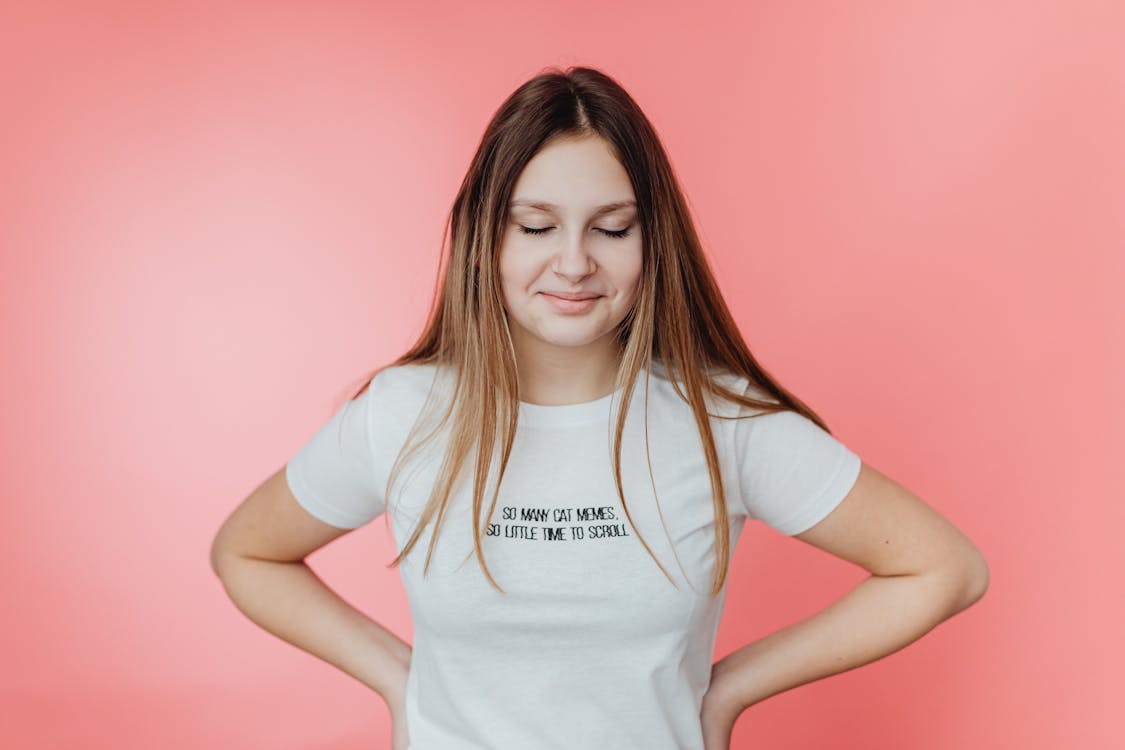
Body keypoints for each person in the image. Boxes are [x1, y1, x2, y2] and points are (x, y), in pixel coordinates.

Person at [210, 66, 989, 750]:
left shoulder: (722, 423)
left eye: (611, 228)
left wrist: (728, 691)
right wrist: (393, 677)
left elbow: (943, 569)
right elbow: (246, 551)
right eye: (537, 225)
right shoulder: (405, 413)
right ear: (488, 238)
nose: (575, 261)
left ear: (654, 241)